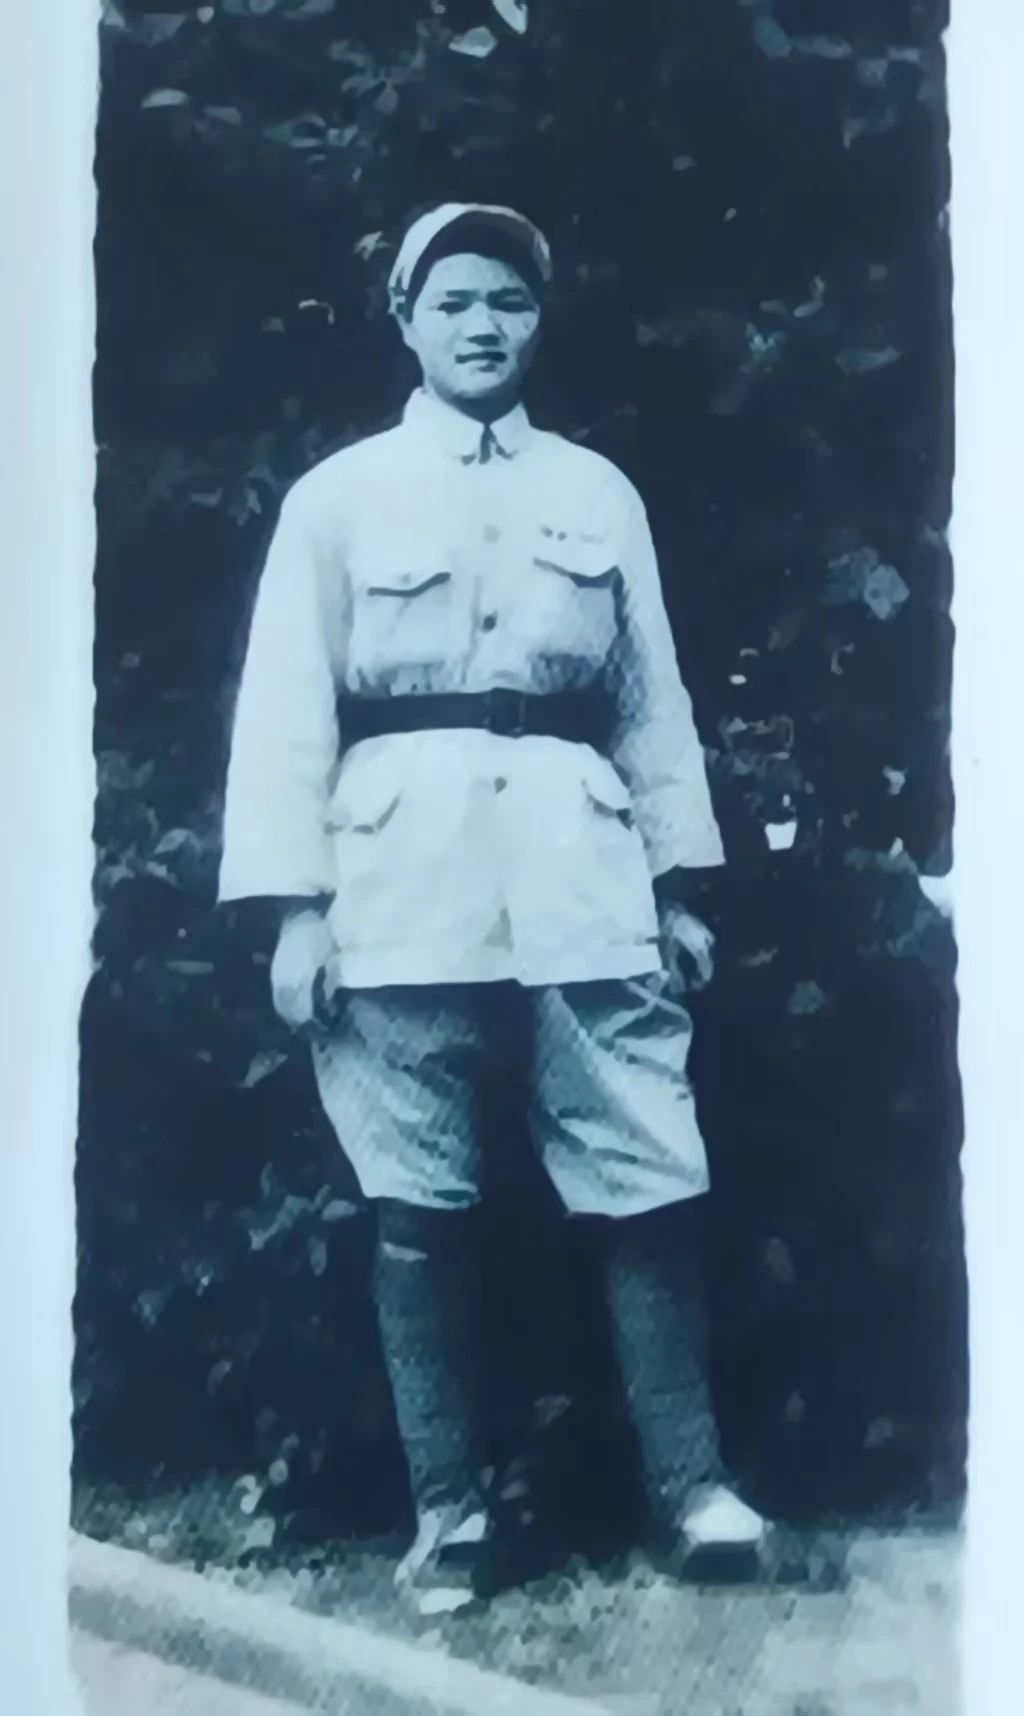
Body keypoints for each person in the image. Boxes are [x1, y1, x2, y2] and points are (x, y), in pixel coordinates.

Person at [219, 202, 766, 1614]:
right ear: (405, 319)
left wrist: (680, 887)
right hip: (399, 882)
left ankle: (694, 1490)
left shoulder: (598, 493)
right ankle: (449, 1514)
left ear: (538, 321)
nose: (482, 325)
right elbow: (283, 711)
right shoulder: (339, 498)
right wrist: (293, 911)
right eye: (453, 300)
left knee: (650, 1172)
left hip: (582, 873)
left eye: (507, 301)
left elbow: (653, 703)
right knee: (419, 1199)